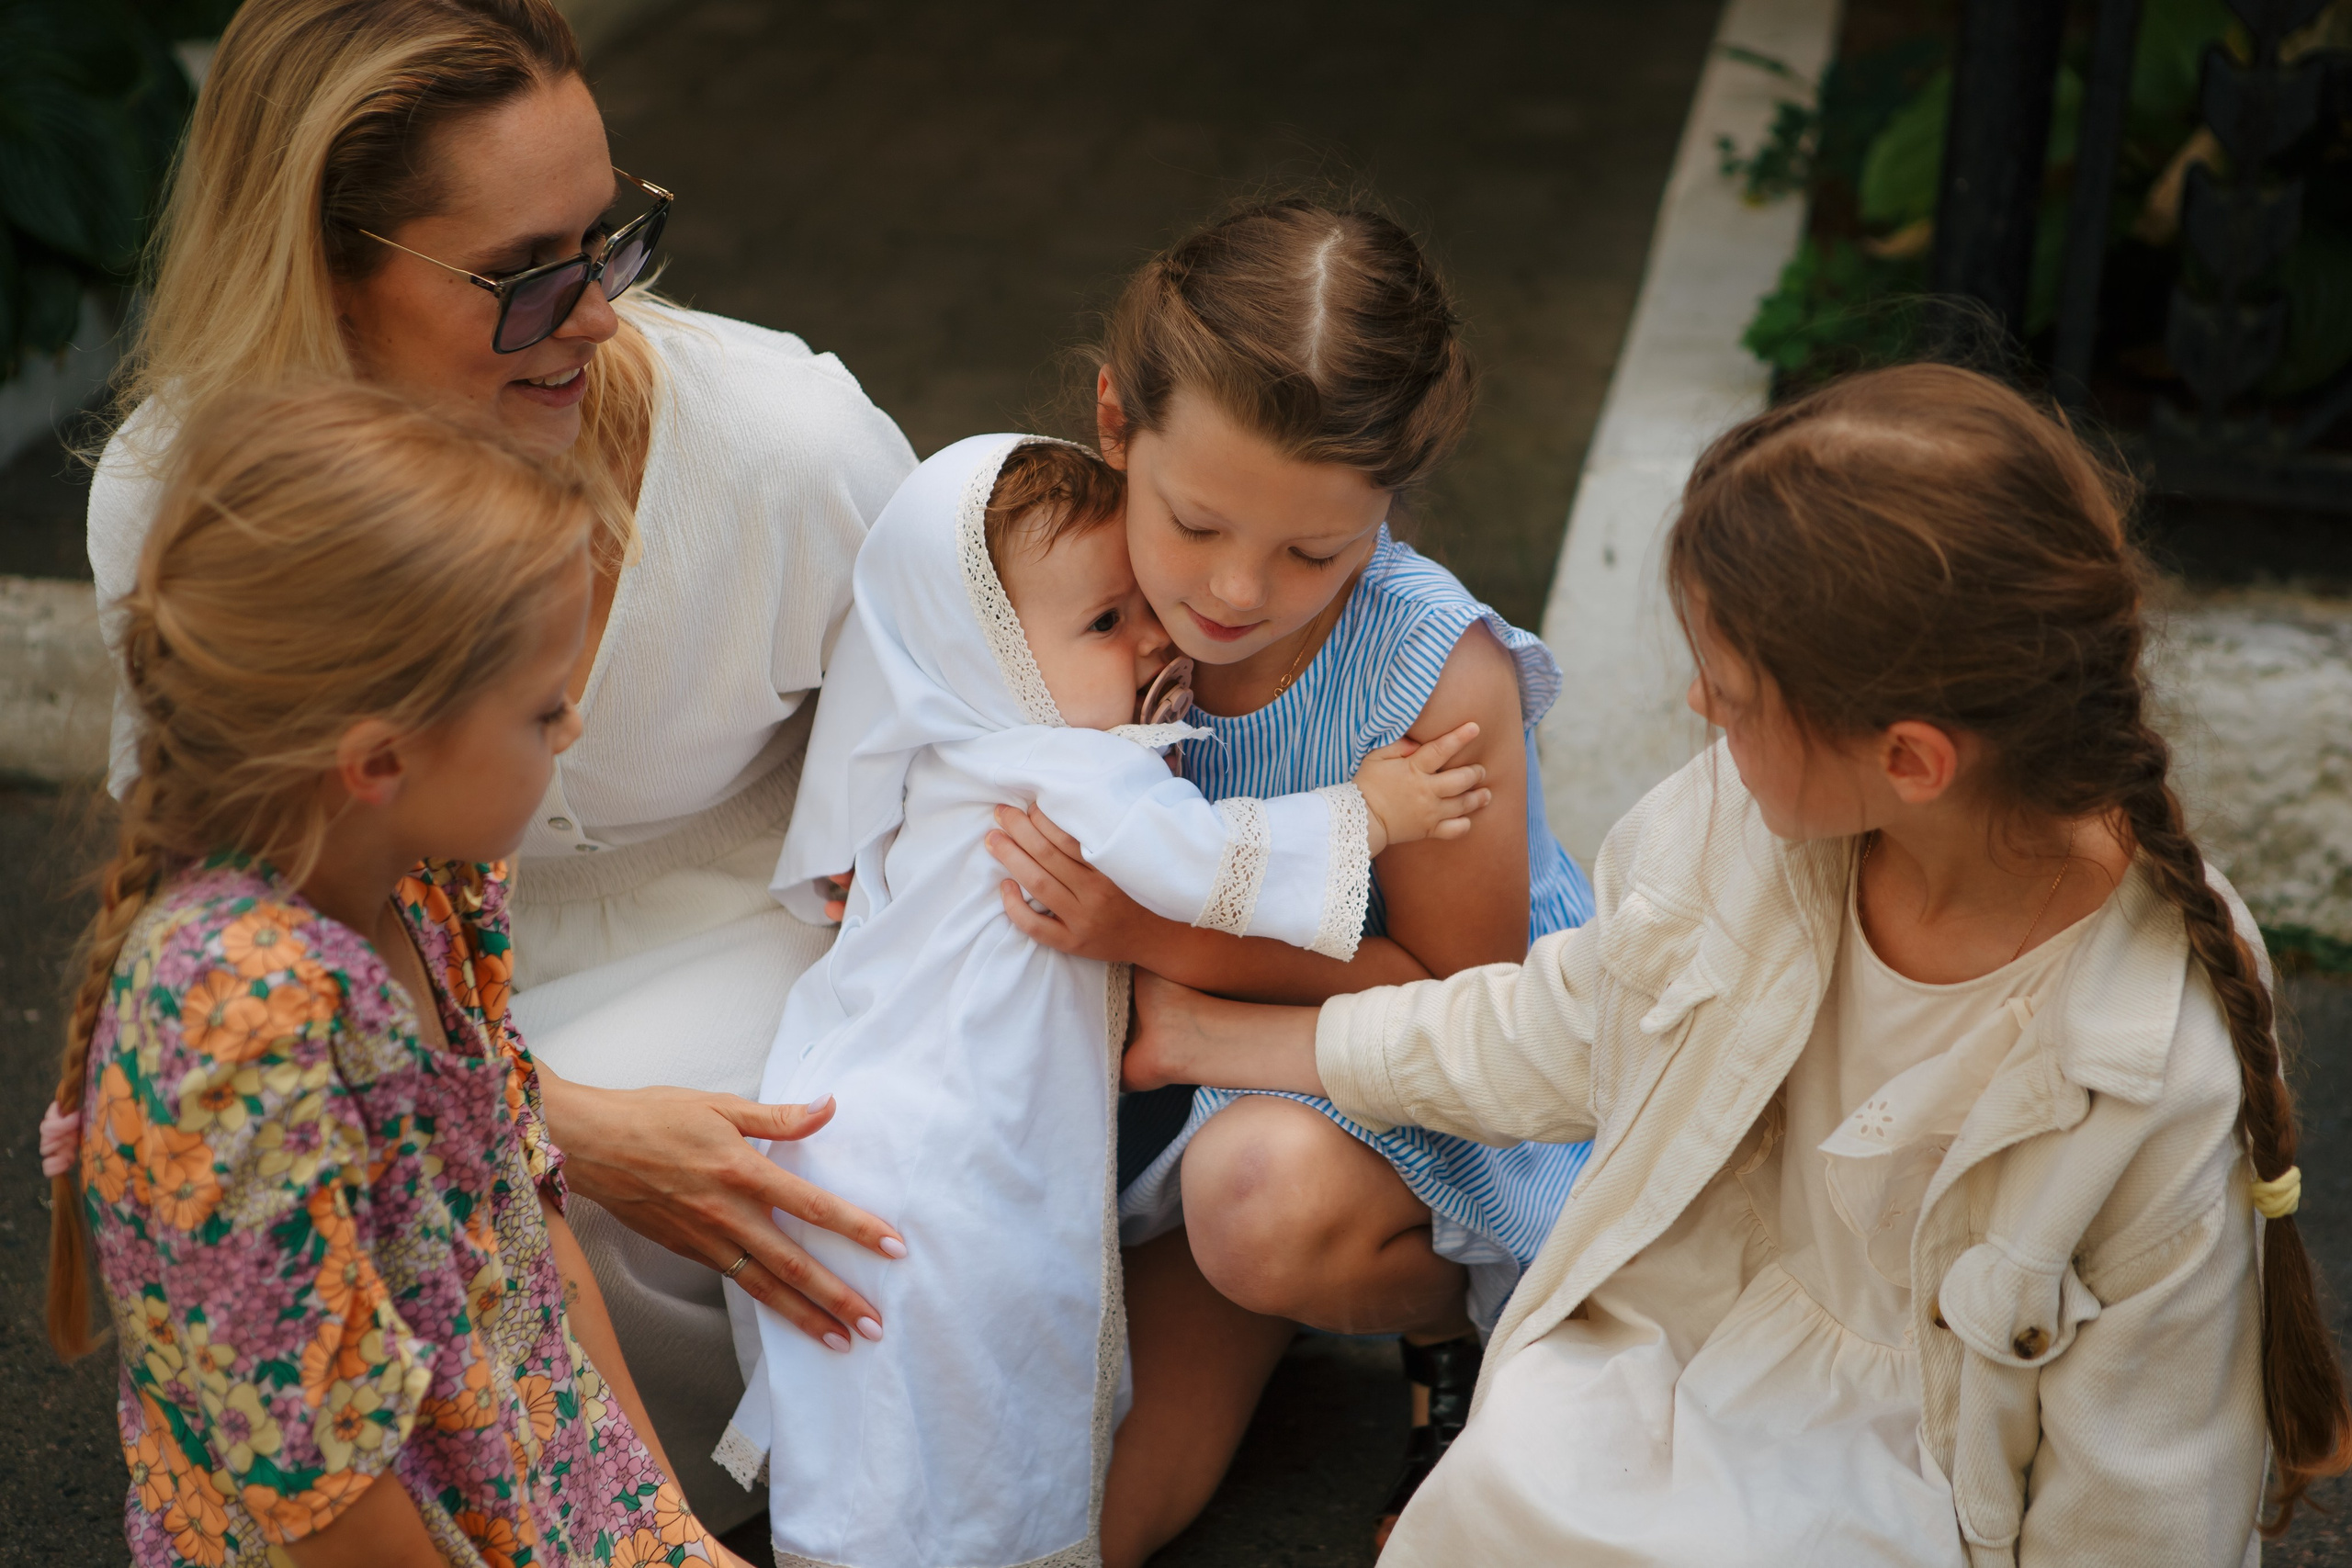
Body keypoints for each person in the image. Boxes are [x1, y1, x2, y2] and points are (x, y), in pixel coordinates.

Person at [1118, 364, 2352, 1563]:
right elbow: (1557, 1027)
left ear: (1911, 760)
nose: (1700, 704)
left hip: (1915, 1482)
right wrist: (1215, 1038)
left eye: (1736, 685)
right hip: (1668, 1347)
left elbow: (2142, 1495)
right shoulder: (1745, 818)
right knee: (1501, 1492)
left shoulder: (2154, 1065)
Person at [81, 0, 914, 1517]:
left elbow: (971, 793)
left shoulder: (788, 444)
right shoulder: (185, 496)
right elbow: (222, 916)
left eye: (614, 236)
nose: (600, 312)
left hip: (755, 950)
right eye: (528, 275)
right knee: (415, 1212)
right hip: (431, 1025)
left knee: (815, 1188)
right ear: (319, 266)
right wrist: (557, 1124)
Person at [720, 434, 1493, 1568]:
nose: (1148, 641)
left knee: (911, 1337)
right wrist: (1367, 815)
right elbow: (1203, 860)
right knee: (1000, 1293)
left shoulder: (939, 755)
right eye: (1102, 626)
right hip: (957, 1110)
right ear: (983, 654)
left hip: (863, 1082)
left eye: (1135, 610)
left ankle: (871, 1521)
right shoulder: (1067, 766)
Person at [45, 381, 763, 1567]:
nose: (573, 725)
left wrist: (666, 1529)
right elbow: (331, 1506)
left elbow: (527, 1247)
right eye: (542, 709)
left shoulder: (430, 881)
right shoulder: (230, 1031)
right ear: (379, 757)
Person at [977, 199, 1594, 1557]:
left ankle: (1450, 1317)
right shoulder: (1028, 564)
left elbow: (1463, 1007)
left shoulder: (1434, 672)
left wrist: (1155, 937)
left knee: (1254, 1205)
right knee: (1070, 1519)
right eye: (1195, 524)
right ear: (1115, 424)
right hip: (1133, 1091)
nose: (1239, 590)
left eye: (1318, 550)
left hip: (1370, 1100)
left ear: (1388, 503)